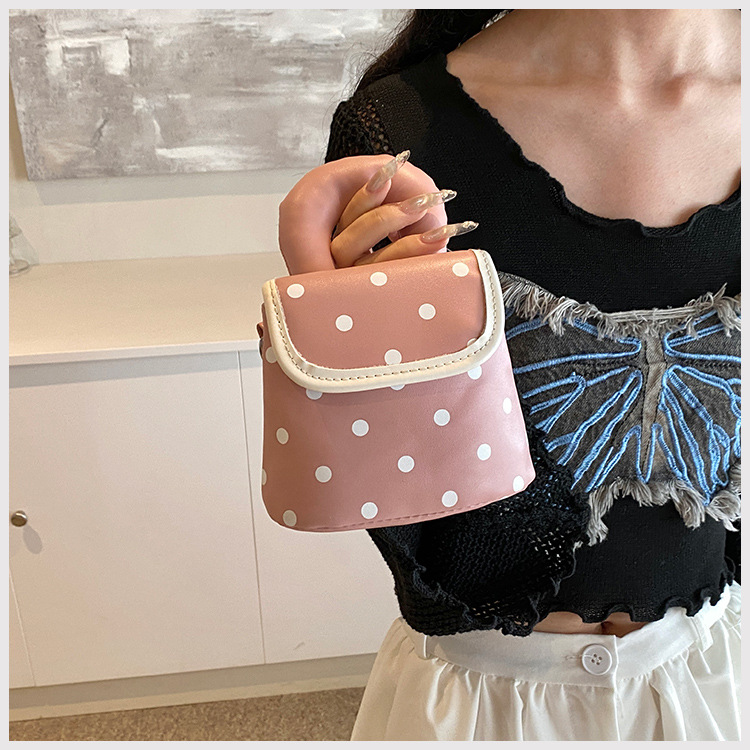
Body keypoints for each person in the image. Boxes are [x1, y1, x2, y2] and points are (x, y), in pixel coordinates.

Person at [277, 9, 741, 741]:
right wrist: (344, 340)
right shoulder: (400, 128)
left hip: (717, 678)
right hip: (480, 703)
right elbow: (395, 489)